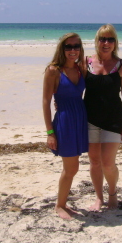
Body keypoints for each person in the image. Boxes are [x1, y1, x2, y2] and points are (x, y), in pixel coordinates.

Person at [83, 24, 122, 211]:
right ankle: (98, 198)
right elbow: (71, 83)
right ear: (97, 41)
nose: (106, 43)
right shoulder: (86, 62)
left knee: (108, 163)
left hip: (113, 120)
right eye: (102, 39)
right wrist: (60, 101)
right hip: (90, 119)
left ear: (115, 43)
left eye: (110, 39)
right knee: (94, 162)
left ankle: (112, 193)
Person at [42, 32, 89, 220]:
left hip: (80, 120)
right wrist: (50, 133)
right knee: (71, 168)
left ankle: (63, 203)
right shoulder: (53, 70)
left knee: (73, 167)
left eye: (76, 46)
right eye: (68, 46)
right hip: (65, 122)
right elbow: (46, 101)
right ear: (62, 48)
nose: (72, 50)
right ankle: (60, 205)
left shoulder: (81, 68)